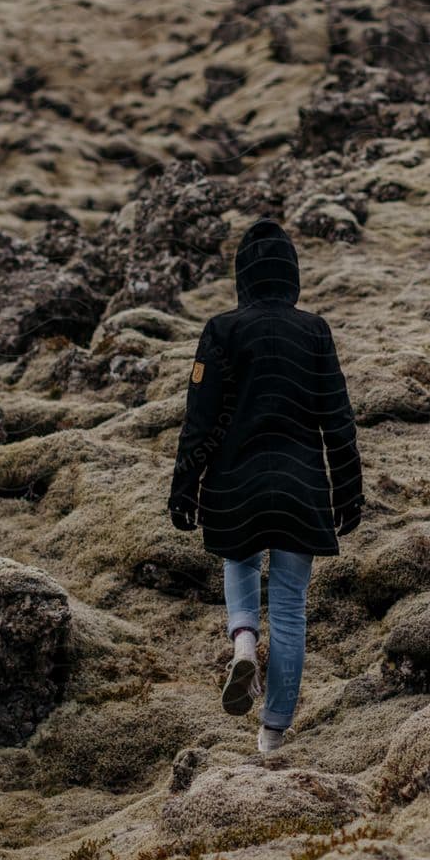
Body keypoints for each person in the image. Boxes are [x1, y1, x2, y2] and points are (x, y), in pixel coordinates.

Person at [169, 217, 364, 754]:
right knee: (290, 603)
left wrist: (184, 486)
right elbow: (338, 419)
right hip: (302, 487)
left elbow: (199, 417)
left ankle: (244, 642)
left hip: (235, 482)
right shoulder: (316, 331)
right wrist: (348, 489)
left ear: (244, 276)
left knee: (240, 558)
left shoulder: (221, 330)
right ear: (291, 275)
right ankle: (273, 731)